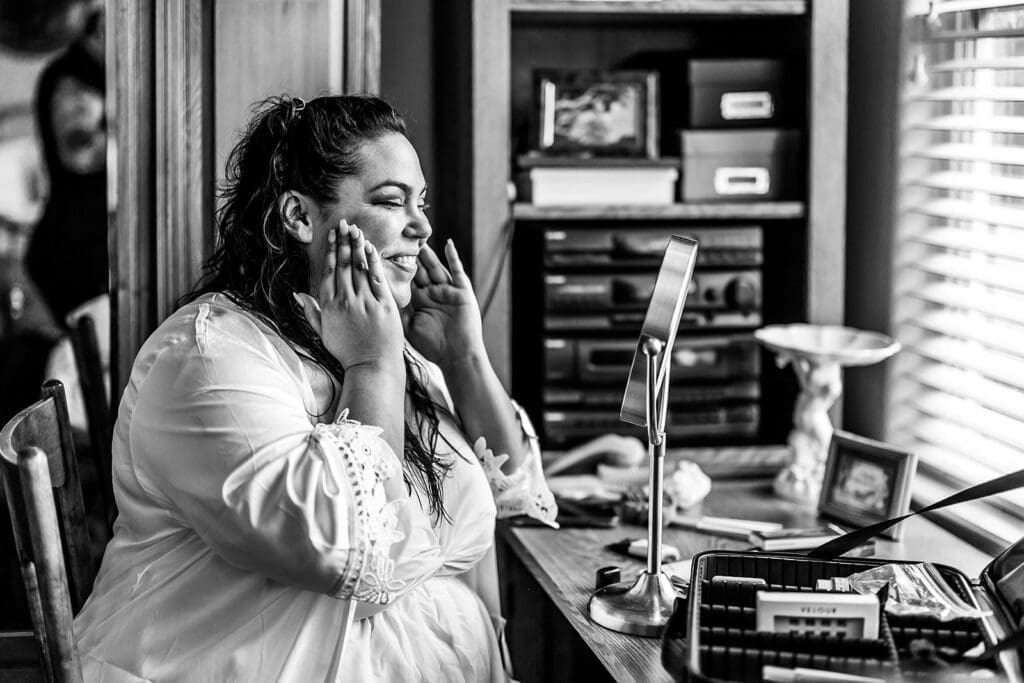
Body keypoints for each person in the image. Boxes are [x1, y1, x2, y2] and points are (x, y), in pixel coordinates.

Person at [73, 93, 557, 681]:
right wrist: (373, 370)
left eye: (421, 202)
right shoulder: (208, 360)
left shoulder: (377, 338)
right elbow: (353, 551)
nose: (423, 225)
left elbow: (513, 495)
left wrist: (464, 356)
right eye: (391, 201)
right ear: (300, 217)